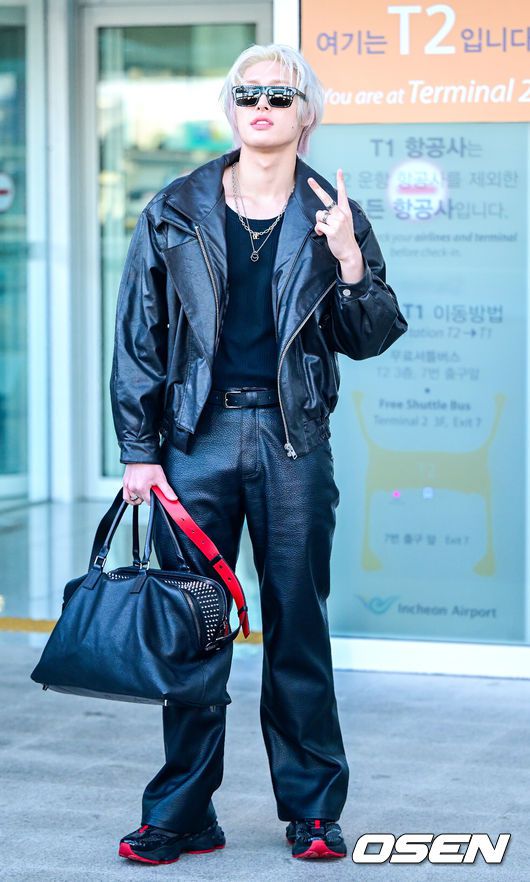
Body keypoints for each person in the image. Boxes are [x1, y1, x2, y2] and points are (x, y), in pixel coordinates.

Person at [110, 42, 408, 865]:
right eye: (248, 94)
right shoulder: (176, 208)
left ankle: (312, 810)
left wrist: (349, 258)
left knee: (298, 626)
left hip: (292, 441)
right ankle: (181, 814)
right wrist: (139, 448)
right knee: (191, 631)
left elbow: (371, 334)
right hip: (194, 443)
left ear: (305, 112)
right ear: (231, 108)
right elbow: (139, 335)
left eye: (280, 94)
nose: (263, 106)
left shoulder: (333, 213)